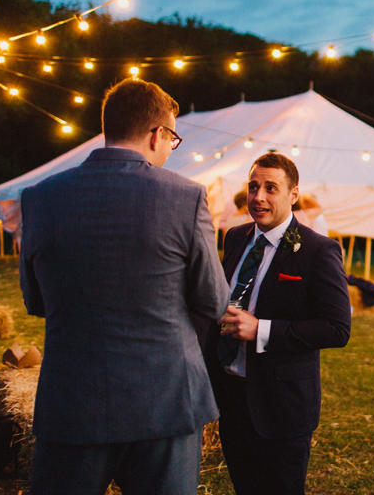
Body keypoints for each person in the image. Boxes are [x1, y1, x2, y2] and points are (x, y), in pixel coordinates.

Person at [19, 78, 229, 495]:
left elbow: (35, 300)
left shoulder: (39, 197)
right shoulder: (185, 197)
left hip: (72, 402)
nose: (172, 149)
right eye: (174, 138)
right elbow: (215, 300)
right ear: (158, 134)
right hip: (165, 402)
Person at [204, 153, 351, 495]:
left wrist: (261, 330)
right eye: (253, 187)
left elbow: (337, 328)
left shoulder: (318, 250)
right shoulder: (236, 237)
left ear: (293, 195)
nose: (259, 197)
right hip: (233, 395)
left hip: (282, 406)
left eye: (271, 188)